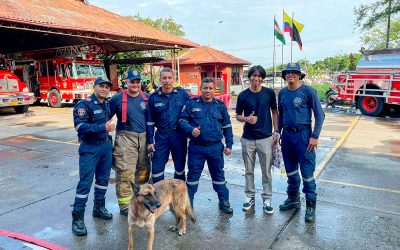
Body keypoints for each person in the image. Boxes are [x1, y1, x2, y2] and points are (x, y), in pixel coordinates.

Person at [278, 62, 325, 223]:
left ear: (299, 75)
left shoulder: (308, 91)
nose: (290, 75)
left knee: (307, 174)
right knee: (290, 172)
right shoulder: (282, 93)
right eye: (287, 72)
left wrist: (315, 135)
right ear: (284, 76)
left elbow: (320, 115)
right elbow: (281, 114)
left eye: (294, 72)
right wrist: (279, 133)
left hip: (304, 137)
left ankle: (311, 206)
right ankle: (293, 199)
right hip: (288, 137)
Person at [179, 77, 234, 214]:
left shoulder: (220, 106)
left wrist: (229, 144)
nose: (207, 91)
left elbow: (227, 126)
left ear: (214, 89)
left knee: (219, 176)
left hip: (215, 148)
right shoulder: (191, 103)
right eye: (205, 88)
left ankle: (224, 202)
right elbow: (182, 120)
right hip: (197, 148)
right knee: (192, 178)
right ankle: (188, 205)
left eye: (210, 88)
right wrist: (190, 129)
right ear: (200, 89)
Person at [71, 77, 115, 236]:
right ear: (94, 87)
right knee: (85, 183)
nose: (104, 89)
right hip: (89, 148)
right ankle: (77, 218)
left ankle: (99, 207)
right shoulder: (84, 105)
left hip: (105, 146)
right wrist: (102, 127)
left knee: (103, 180)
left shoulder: (107, 103)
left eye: (106, 87)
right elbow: (80, 126)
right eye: (101, 86)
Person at [236, 65, 279, 215]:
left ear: (262, 78)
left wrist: (276, 132)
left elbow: (274, 112)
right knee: (249, 170)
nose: (256, 78)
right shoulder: (243, 96)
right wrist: (247, 118)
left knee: (266, 171)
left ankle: (267, 198)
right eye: (254, 75)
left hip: (266, 138)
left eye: (259, 76)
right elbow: (238, 116)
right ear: (250, 77)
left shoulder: (269, 93)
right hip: (247, 139)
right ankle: (250, 196)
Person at [109, 69, 150, 216]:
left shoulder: (147, 98)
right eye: (132, 81)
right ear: (126, 82)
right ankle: (125, 207)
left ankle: (140, 201)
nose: (135, 84)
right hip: (126, 139)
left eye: (137, 82)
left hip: (144, 140)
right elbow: (104, 115)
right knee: (125, 173)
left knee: (143, 173)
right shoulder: (117, 99)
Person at [147, 67, 190, 183]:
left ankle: (178, 195)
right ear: (160, 80)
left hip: (179, 136)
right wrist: (150, 141)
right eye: (164, 78)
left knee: (180, 167)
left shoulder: (183, 95)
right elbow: (150, 122)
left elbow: (192, 113)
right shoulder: (153, 97)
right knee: (157, 169)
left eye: (170, 78)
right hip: (162, 136)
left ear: (174, 79)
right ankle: (158, 198)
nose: (167, 80)